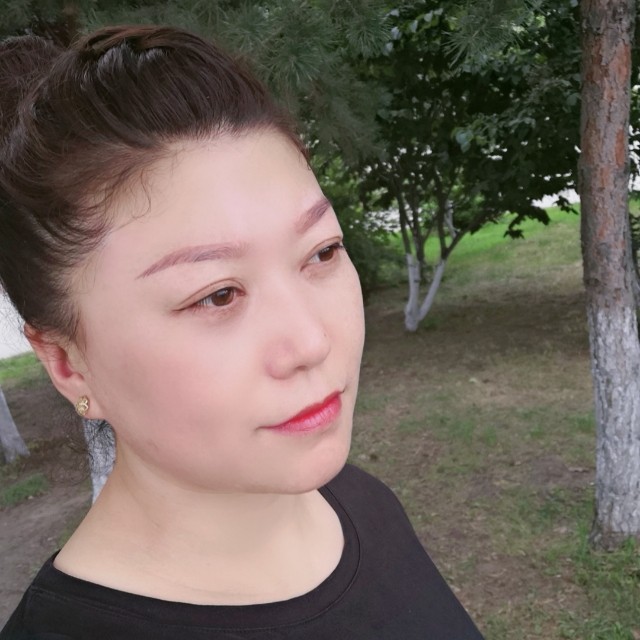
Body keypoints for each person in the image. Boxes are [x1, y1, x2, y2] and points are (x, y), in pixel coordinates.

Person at [0, 25, 484, 639]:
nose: (311, 343)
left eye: (322, 252)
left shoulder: (358, 503)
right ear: (68, 364)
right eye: (218, 295)